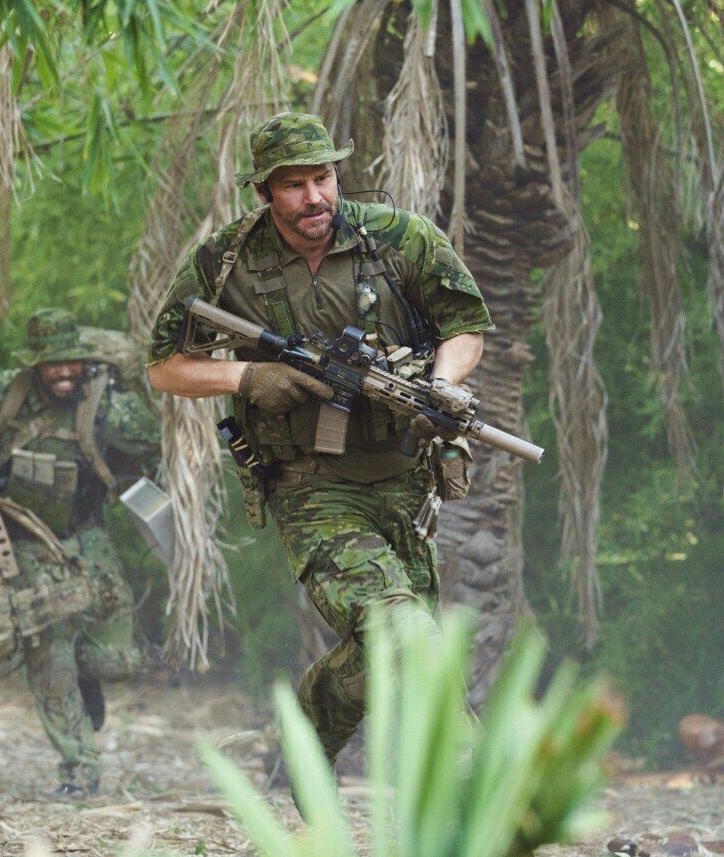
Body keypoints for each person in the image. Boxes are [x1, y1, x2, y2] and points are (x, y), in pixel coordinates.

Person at [145, 112, 493, 769]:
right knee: (404, 634)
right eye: (294, 184)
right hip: (309, 485)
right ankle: (484, 786)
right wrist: (248, 376)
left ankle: (304, 741)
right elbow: (165, 366)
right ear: (263, 192)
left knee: (395, 645)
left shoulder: (398, 237)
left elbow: (465, 326)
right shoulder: (226, 261)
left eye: (324, 178)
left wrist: (441, 386)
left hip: (404, 481)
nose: (314, 197)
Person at [0, 307, 160, 798]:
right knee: (50, 653)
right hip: (23, 545)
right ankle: (79, 770)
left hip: (87, 535)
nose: (63, 372)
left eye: (70, 361)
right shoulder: (5, 393)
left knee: (116, 659)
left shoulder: (106, 404)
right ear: (35, 364)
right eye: (52, 364)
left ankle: (86, 673)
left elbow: (159, 445)